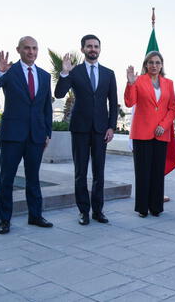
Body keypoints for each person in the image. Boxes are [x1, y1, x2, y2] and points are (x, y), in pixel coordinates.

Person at [0, 36, 53, 234]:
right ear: (18, 50)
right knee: (7, 179)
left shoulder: (44, 75)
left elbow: (46, 107)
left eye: (34, 48)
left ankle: (35, 216)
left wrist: (47, 132)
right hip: (12, 135)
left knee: (34, 178)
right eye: (27, 48)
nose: (31, 52)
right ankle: (4, 220)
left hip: (36, 136)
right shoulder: (10, 71)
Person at [54, 34, 118, 225]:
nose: (93, 49)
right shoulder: (74, 72)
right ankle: (83, 211)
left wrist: (111, 127)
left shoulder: (109, 73)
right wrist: (64, 73)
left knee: (99, 172)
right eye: (89, 46)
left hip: (101, 130)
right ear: (82, 49)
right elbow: (59, 93)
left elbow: (113, 103)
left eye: (96, 46)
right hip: (80, 129)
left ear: (100, 49)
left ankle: (98, 211)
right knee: (80, 172)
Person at [124, 51, 175, 218]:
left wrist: (164, 125)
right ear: (146, 64)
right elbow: (129, 102)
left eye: (157, 62)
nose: (154, 65)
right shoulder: (138, 81)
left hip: (161, 133)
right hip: (142, 133)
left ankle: (156, 207)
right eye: (151, 62)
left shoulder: (168, 83)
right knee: (142, 171)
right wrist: (130, 83)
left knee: (157, 171)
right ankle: (142, 207)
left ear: (162, 65)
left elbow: (172, 108)